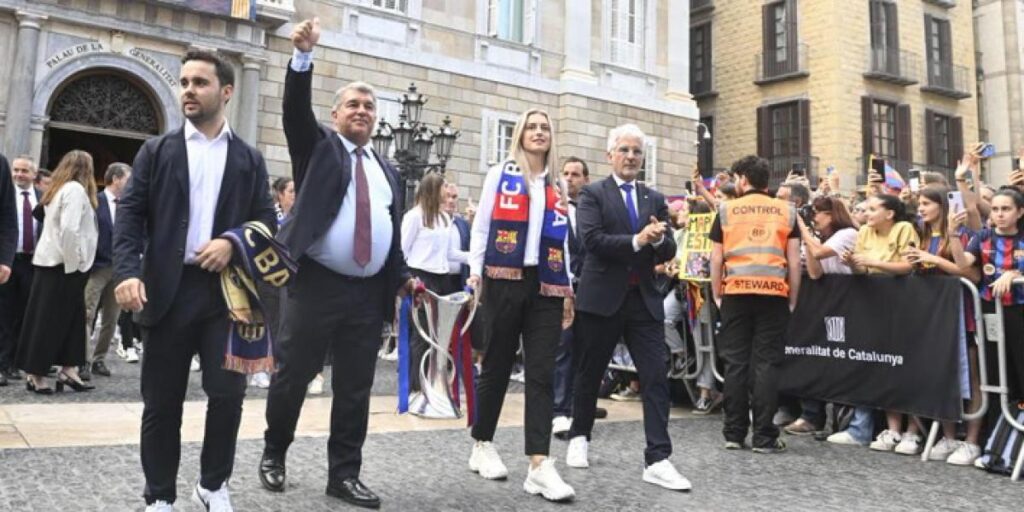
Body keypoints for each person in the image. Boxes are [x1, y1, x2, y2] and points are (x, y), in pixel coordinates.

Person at [259, 18, 416, 510]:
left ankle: (344, 476)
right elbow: (293, 112)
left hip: (367, 295)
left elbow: (389, 230)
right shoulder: (319, 147)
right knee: (293, 375)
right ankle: (274, 452)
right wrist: (302, 58)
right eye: (354, 104)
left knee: (355, 387)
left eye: (370, 107)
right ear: (336, 113)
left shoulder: (387, 167)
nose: (363, 112)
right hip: (317, 285)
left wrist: (403, 275)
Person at [114, 50, 276, 512]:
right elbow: (129, 216)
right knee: (161, 402)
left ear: (226, 91)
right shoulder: (157, 151)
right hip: (167, 291)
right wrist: (127, 271)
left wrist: (232, 241)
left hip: (226, 296)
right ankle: (160, 495)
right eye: (184, 81)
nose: (188, 89)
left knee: (228, 396)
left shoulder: (248, 158)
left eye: (200, 82)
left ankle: (212, 485)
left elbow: (267, 220)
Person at [567, 123, 691, 491]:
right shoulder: (592, 194)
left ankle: (658, 457)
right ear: (610, 155)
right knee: (590, 372)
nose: (632, 157)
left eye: (637, 151)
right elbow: (592, 241)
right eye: (625, 150)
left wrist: (662, 238)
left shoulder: (654, 199)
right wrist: (638, 240)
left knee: (655, 377)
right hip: (601, 298)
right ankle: (579, 436)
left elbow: (668, 251)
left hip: (643, 301)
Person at [463, 108, 575, 502]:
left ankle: (539, 464)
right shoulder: (501, 174)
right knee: (495, 364)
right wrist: (476, 274)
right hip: (501, 278)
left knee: (542, 372)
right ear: (521, 135)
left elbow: (561, 241)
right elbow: (482, 227)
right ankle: (482, 442)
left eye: (545, 128)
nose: (539, 133)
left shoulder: (558, 186)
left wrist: (567, 288)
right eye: (532, 127)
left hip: (546, 284)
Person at [709, 155, 801, 454]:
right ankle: (764, 436)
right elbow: (794, 260)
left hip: (736, 291)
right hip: (774, 293)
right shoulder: (787, 211)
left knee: (735, 363)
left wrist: (717, 294)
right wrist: (792, 298)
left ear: (743, 180)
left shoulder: (726, 210)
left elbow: (716, 258)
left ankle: (734, 433)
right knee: (766, 364)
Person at [904, 186, 983, 465]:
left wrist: (934, 259)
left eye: (927, 203)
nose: (921, 208)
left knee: (971, 376)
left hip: (963, 313)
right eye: (919, 203)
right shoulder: (922, 234)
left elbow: (971, 274)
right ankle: (948, 435)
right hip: (932, 315)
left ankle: (972, 441)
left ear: (942, 205)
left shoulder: (963, 233)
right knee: (941, 374)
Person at [840, 194, 920, 454]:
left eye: (874, 208)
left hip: (904, 304)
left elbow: (909, 265)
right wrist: (852, 263)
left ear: (890, 213)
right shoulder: (864, 231)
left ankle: (912, 431)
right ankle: (892, 428)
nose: (868, 212)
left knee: (905, 365)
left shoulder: (903, 228)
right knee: (883, 363)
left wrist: (873, 262)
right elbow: (861, 271)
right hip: (874, 304)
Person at [16, 150, 98, 395]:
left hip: (55, 264)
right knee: (48, 321)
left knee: (72, 320)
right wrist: (76, 264)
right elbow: (70, 230)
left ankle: (69, 369)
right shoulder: (74, 190)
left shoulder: (58, 189)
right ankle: (36, 374)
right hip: (63, 266)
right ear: (86, 168)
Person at [960, 188, 1024, 460]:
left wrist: (1015, 273)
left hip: (1019, 310)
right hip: (989, 309)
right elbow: (964, 263)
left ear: (1019, 212)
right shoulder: (983, 237)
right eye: (996, 209)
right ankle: (996, 446)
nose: (999, 214)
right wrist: (953, 235)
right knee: (995, 375)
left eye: (1006, 209)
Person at [786, 196, 858, 437]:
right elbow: (816, 273)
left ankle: (839, 421)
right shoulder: (822, 238)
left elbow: (821, 253)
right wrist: (809, 239)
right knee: (818, 356)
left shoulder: (847, 233)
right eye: (812, 212)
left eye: (818, 212)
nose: (814, 217)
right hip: (829, 300)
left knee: (841, 359)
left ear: (832, 214)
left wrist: (803, 229)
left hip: (849, 302)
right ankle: (812, 416)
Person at [551, 156, 609, 439]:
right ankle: (559, 412)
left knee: (587, 350)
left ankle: (579, 405)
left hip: (589, 287)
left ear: (586, 179)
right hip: (560, 286)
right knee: (562, 349)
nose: (570, 178)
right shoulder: (554, 208)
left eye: (576, 174)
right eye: (566, 173)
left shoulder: (592, 209)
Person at [401, 172, 468, 393]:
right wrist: (408, 279)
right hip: (420, 277)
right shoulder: (414, 216)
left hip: (441, 279)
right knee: (421, 334)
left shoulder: (444, 219)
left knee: (438, 334)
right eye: (444, 186)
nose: (447, 191)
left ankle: (434, 381)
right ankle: (415, 386)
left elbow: (449, 252)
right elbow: (403, 249)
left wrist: (474, 256)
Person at [81, 162, 131, 380]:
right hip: (97, 267)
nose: (131, 185)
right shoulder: (94, 201)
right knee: (87, 313)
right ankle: (82, 359)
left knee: (112, 317)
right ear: (116, 179)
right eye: (128, 180)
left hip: (120, 269)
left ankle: (99, 359)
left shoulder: (129, 204)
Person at [0, 155, 40, 384]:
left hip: (31, 262)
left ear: (34, 174)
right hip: (8, 260)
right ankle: (3, 362)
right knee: (4, 313)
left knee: (23, 314)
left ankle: (15, 362)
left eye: (24, 170)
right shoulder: (8, 195)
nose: (19, 174)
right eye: (16, 170)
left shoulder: (42, 197)